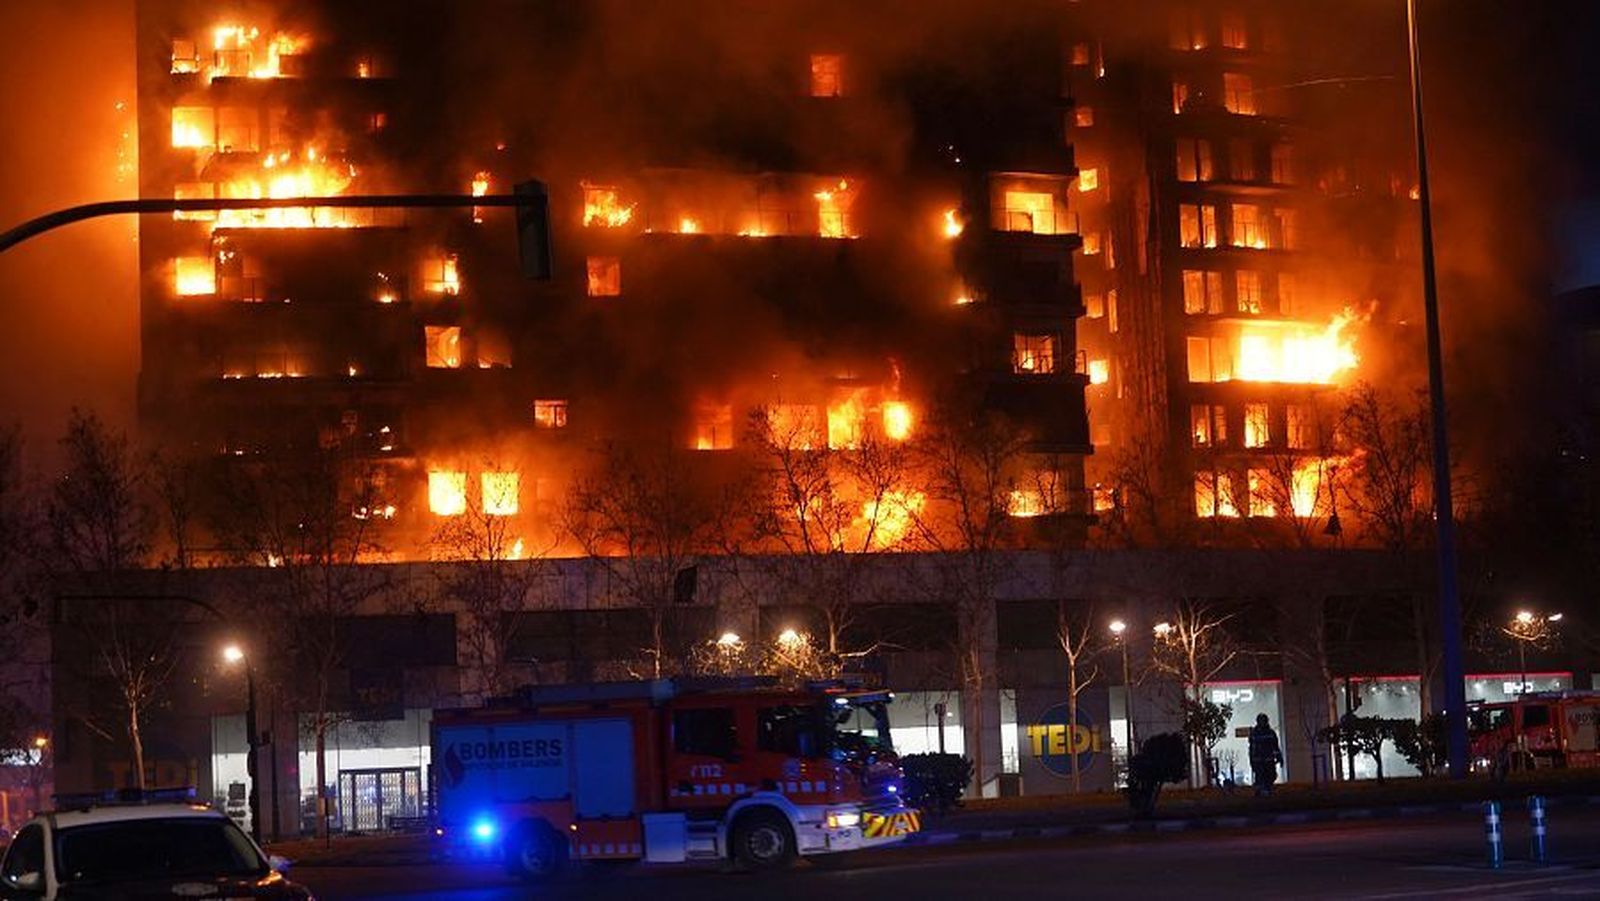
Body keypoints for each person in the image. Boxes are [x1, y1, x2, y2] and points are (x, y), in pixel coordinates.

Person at [1248, 713, 1284, 796]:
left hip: (1268, 759)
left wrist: (1279, 757)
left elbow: (1275, 746)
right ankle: (1261, 791)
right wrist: (1252, 760)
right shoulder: (1254, 733)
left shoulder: (1270, 733)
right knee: (1260, 777)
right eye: (1261, 720)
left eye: (1264, 720)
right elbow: (1251, 748)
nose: (1262, 722)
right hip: (1259, 760)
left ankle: (1267, 790)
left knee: (1271, 776)